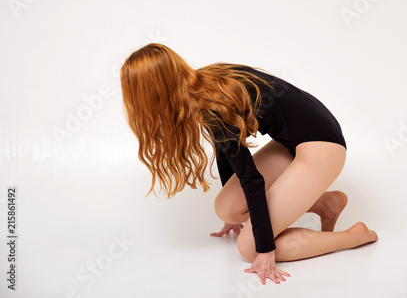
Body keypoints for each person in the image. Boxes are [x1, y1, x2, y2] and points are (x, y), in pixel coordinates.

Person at [120, 43, 378, 285]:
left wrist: (265, 250)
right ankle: (326, 203)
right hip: (294, 142)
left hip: (322, 147)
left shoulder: (213, 102)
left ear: (151, 93)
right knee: (226, 207)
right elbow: (226, 150)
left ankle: (353, 237)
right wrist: (235, 212)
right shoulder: (204, 84)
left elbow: (251, 180)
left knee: (248, 247)